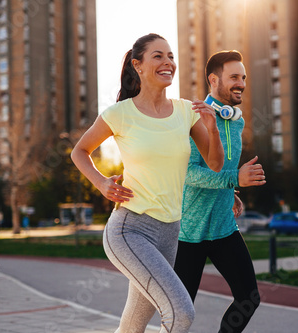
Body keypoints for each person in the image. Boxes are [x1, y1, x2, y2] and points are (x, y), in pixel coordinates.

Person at [71, 33, 224, 333]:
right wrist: (102, 184)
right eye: (158, 56)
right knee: (181, 313)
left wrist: (213, 129)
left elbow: (215, 164)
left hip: (170, 232)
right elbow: (80, 151)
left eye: (170, 56)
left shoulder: (185, 112)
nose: (168, 62)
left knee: (132, 326)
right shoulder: (120, 114)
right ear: (137, 66)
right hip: (130, 230)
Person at [174, 50, 266, 333]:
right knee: (181, 312)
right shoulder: (193, 118)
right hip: (189, 232)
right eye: (234, 77)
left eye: (244, 77)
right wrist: (233, 179)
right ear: (214, 80)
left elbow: (221, 167)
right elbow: (188, 174)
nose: (242, 83)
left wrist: (232, 191)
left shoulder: (236, 120)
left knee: (249, 298)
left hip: (224, 227)